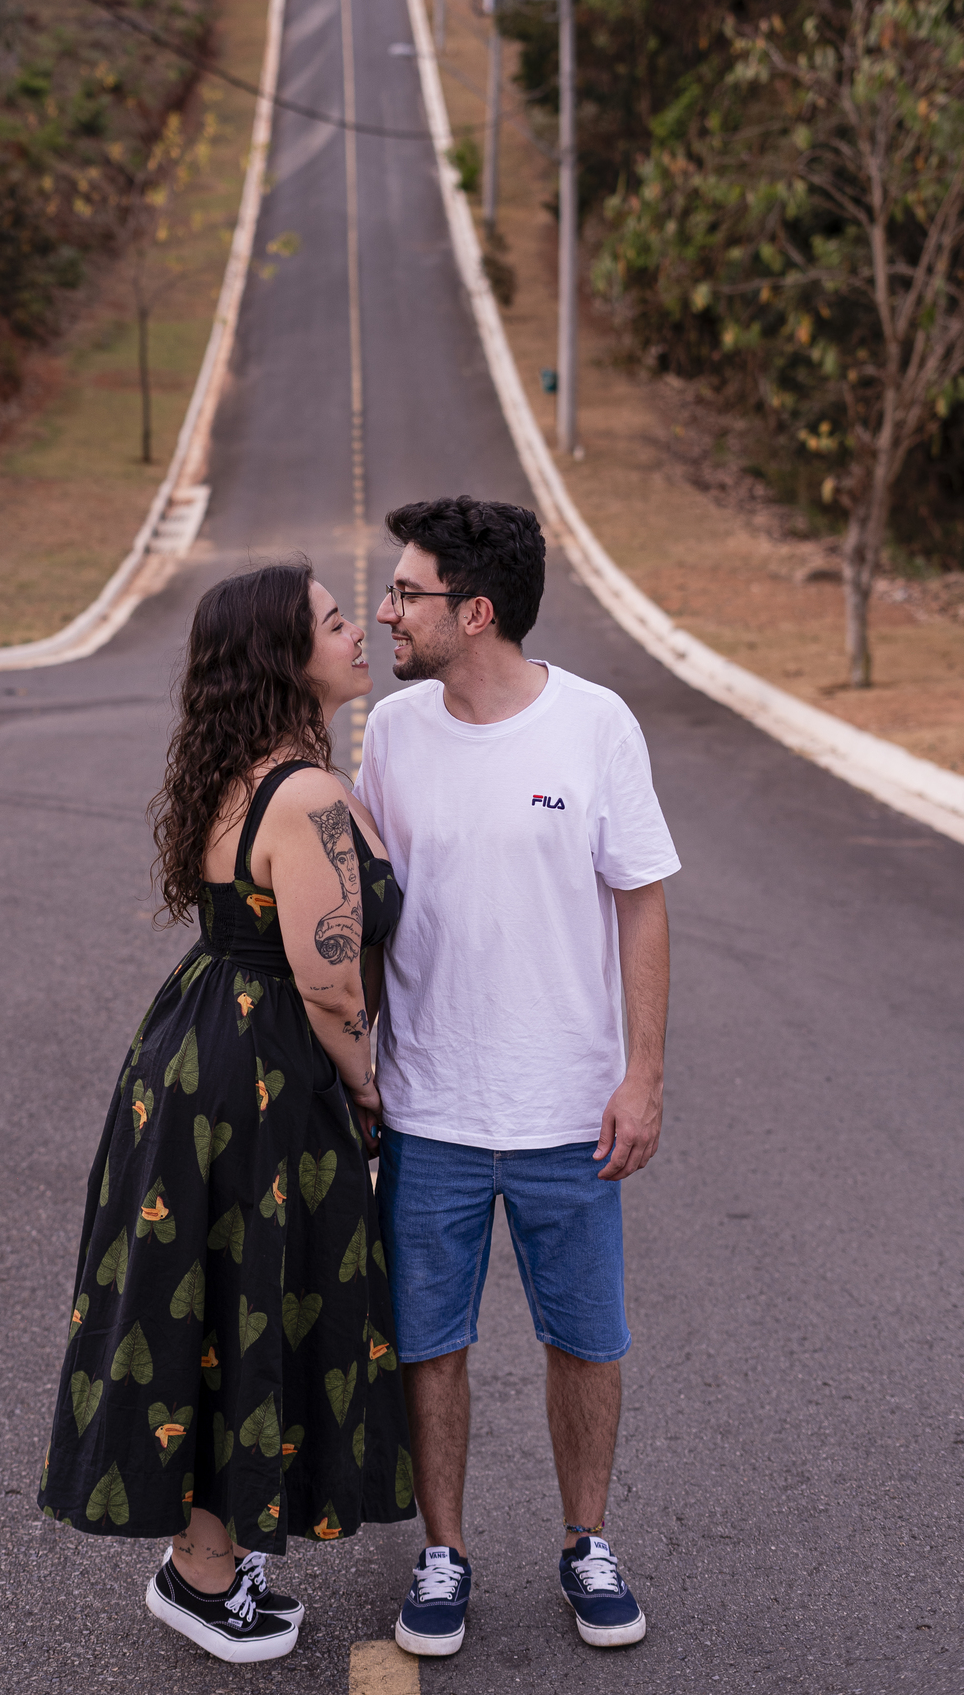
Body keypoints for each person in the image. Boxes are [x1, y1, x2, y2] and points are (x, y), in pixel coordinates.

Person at [38, 562, 414, 1665]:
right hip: (262, 1075)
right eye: (334, 622)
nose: (358, 631)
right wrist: (368, 1087)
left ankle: (209, 1558)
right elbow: (329, 981)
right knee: (252, 1295)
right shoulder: (306, 796)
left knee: (213, 1300)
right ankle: (201, 1577)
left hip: (201, 1054)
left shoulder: (244, 774)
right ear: (283, 657)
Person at [354, 498, 680, 1656]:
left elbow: (642, 903)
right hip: (429, 1108)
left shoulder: (595, 725)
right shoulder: (391, 734)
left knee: (585, 1339)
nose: (385, 611)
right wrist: (360, 1067)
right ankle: (443, 1553)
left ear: (477, 612)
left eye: (408, 593)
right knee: (429, 1341)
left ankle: (587, 1542)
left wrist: (643, 1078)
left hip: (568, 1111)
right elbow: (370, 913)